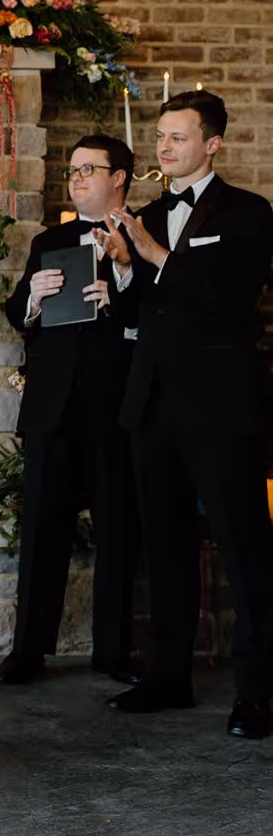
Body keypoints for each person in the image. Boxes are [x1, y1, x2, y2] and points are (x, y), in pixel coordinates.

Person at [97, 90, 273, 740]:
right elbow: (136, 317)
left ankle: (256, 694)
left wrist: (152, 257)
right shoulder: (145, 216)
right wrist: (122, 273)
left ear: (212, 144)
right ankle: (166, 678)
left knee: (243, 548)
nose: (163, 147)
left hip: (222, 408)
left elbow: (231, 301)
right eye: (160, 137)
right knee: (163, 547)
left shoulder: (250, 214)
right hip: (153, 407)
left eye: (176, 137)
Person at [0, 135, 140, 688]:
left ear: (119, 176)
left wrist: (121, 282)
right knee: (42, 533)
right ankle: (27, 652)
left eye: (88, 170)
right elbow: (17, 313)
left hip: (116, 409)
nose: (76, 179)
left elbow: (159, 311)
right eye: (72, 171)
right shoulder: (49, 239)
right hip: (52, 409)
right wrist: (33, 294)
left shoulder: (146, 237)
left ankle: (115, 653)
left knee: (120, 534)